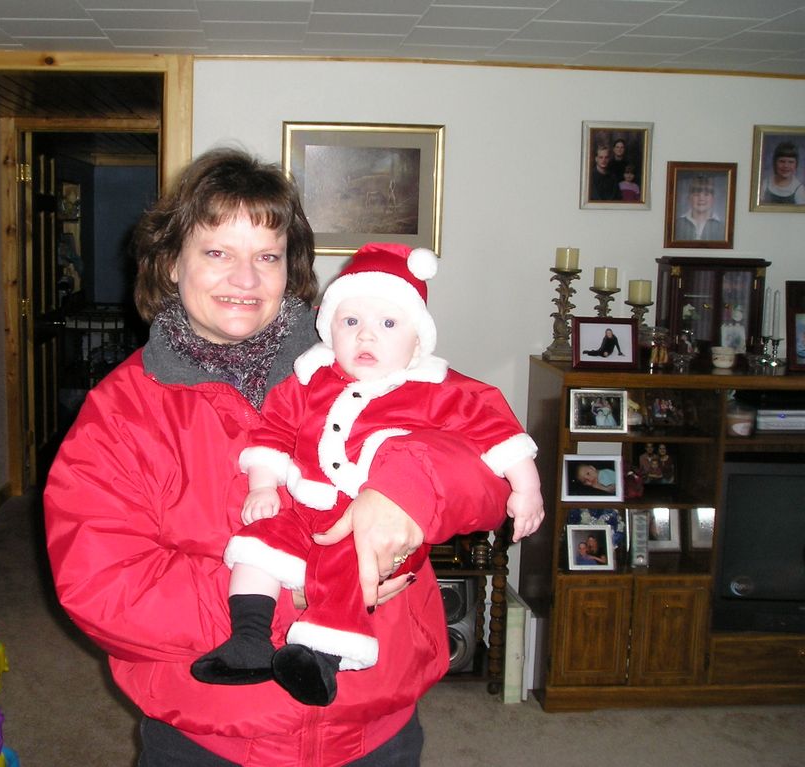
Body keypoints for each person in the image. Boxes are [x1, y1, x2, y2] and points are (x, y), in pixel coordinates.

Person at [43, 147, 523, 767]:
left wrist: (408, 486)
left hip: (374, 726)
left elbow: (486, 471)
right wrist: (292, 591)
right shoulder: (122, 411)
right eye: (217, 253)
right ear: (168, 265)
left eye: (267, 256)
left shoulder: (366, 367)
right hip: (210, 736)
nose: (246, 280)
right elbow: (102, 586)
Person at [191, 243, 542, 707]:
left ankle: (321, 659)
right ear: (328, 327)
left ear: (418, 339)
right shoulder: (309, 379)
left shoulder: (437, 388)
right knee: (259, 542)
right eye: (350, 322)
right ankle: (249, 639)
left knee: (347, 572)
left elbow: (495, 429)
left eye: (388, 324)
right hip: (303, 507)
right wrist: (263, 483)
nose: (366, 337)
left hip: (374, 530)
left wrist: (527, 486)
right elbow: (273, 427)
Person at [673, 175, 725, 241]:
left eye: (706, 194)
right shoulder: (676, 225)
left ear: (713, 199)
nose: (701, 199)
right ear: (689, 198)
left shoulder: (723, 228)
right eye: (696, 195)